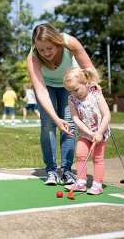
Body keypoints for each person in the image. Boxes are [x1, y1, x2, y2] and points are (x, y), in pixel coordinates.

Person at [26, 23, 97, 186]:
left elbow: (89, 69)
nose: (46, 53)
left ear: (57, 42)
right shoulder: (33, 57)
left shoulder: (70, 42)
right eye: (41, 50)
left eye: (49, 48)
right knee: (48, 125)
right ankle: (51, 170)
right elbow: (41, 91)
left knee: (70, 124)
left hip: (69, 85)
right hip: (47, 86)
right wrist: (55, 119)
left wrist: (94, 86)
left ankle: (66, 170)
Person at [63, 67, 111, 195]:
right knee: (80, 155)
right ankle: (81, 182)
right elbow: (75, 119)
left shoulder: (95, 93)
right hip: (85, 133)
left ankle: (97, 184)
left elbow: (106, 114)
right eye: (70, 91)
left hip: (100, 132)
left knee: (97, 158)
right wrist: (89, 133)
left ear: (85, 83)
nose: (74, 93)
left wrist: (99, 132)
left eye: (76, 89)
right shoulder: (72, 99)